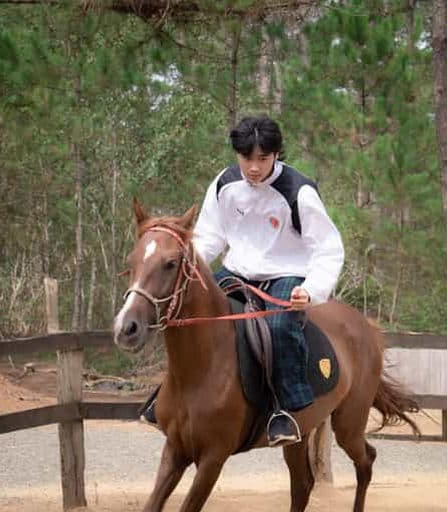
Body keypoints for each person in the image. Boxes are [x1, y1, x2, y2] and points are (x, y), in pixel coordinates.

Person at [144, 115, 345, 447]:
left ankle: (285, 410)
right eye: (246, 158)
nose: (253, 167)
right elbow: (209, 237)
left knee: (280, 328)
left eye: (262, 159)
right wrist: (183, 263)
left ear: (276, 154)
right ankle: (168, 395)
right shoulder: (225, 183)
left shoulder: (299, 190)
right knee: (185, 314)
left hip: (285, 275)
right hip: (235, 272)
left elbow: (327, 247)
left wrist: (310, 291)